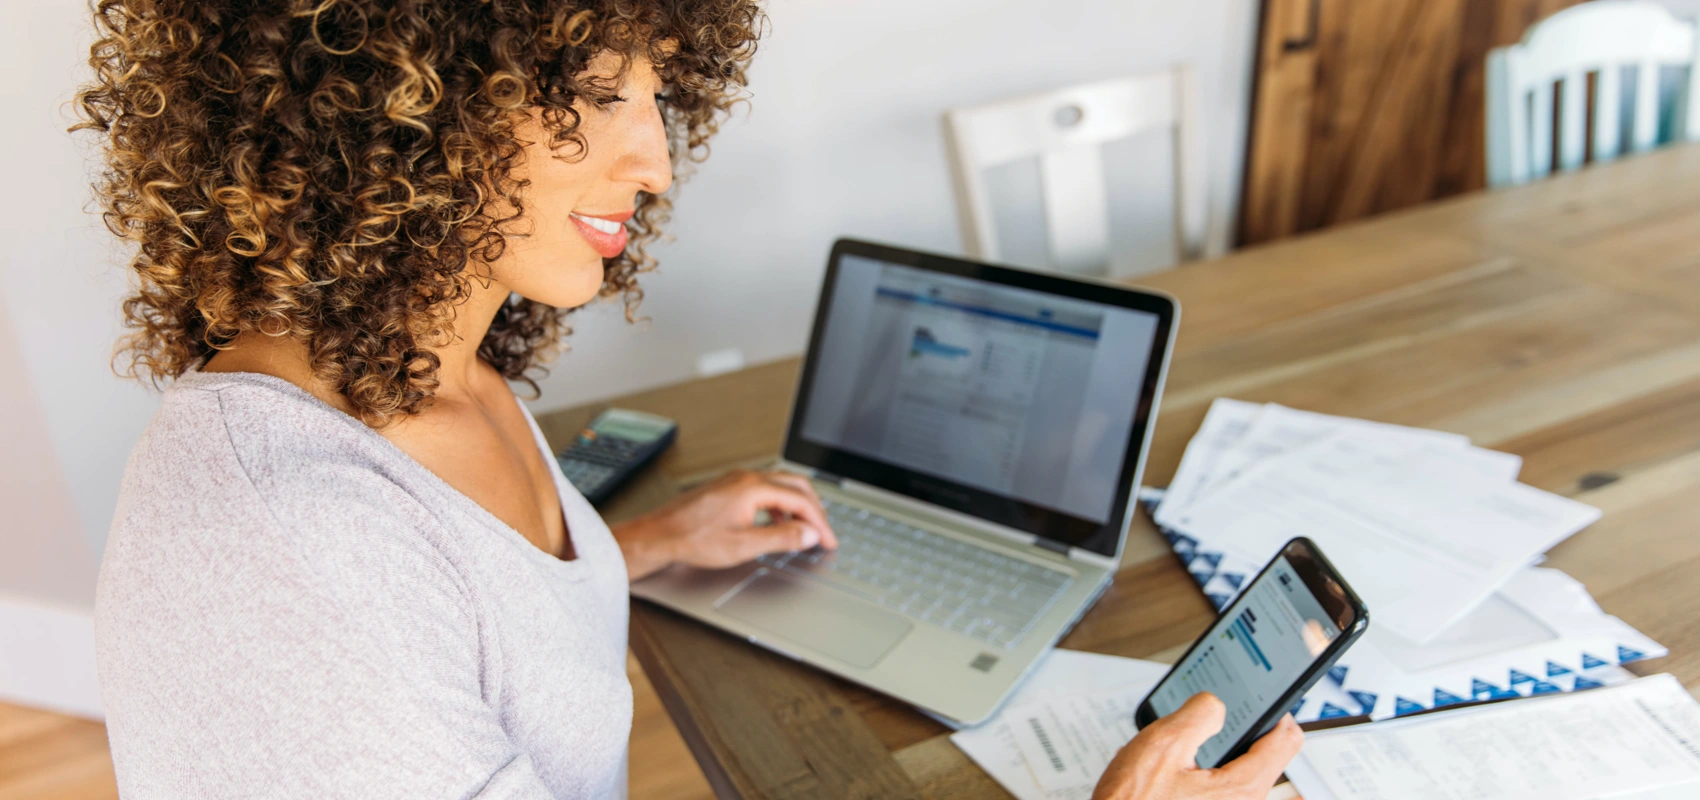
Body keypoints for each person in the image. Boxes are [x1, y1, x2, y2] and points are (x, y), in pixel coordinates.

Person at [77, 0, 1303, 796]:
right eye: (601, 95)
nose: (656, 161)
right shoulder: (287, 552)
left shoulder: (430, 373)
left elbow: (464, 609)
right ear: (401, 100)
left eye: (657, 97)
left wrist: (639, 545)